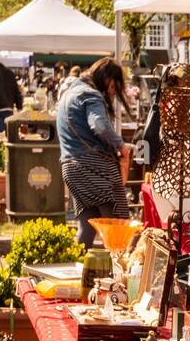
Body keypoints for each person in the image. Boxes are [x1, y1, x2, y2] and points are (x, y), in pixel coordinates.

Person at [57, 57, 133, 245]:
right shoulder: (91, 95)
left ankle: (81, 271)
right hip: (95, 168)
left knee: (87, 228)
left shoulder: (69, 94)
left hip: (70, 168)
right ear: (107, 78)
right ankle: (120, 272)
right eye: (114, 87)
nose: (113, 93)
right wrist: (121, 145)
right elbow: (99, 126)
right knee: (119, 227)